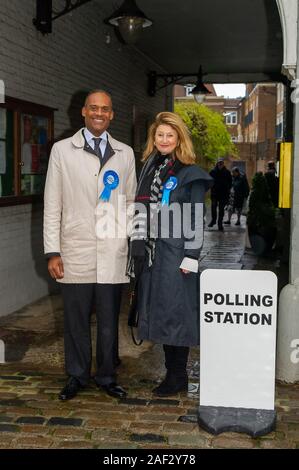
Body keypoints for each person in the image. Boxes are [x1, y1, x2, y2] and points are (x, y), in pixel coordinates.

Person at [44, 90, 137, 400]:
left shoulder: (125, 153)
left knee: (110, 319)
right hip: (74, 249)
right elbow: (52, 204)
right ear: (83, 112)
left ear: (111, 115)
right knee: (75, 319)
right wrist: (52, 250)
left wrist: (130, 243)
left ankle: (107, 375)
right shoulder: (62, 151)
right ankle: (77, 375)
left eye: (105, 109)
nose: (99, 113)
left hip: (112, 250)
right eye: (94, 108)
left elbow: (131, 203)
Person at [128, 112, 213, 397]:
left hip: (177, 256)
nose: (164, 140)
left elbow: (196, 217)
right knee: (162, 314)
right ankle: (172, 373)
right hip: (153, 253)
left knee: (178, 315)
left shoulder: (190, 172)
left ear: (179, 139)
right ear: (154, 138)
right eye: (159, 135)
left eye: (170, 135)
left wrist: (192, 254)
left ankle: (178, 375)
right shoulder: (150, 168)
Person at [208, 158, 232, 231]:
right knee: (213, 207)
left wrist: (227, 189)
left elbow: (230, 182)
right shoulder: (212, 172)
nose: (220, 164)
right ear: (217, 163)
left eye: (221, 163)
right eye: (219, 163)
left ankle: (220, 223)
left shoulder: (227, 172)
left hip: (223, 194)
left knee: (221, 209)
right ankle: (213, 220)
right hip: (214, 193)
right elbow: (209, 180)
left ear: (223, 164)